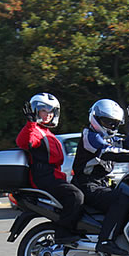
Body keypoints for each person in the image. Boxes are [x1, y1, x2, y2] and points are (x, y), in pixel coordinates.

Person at [71, 99, 129, 256]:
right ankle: (105, 241)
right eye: (107, 122)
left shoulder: (108, 137)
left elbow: (128, 145)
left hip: (100, 184)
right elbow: (110, 153)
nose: (111, 126)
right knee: (121, 199)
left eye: (114, 123)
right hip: (87, 185)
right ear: (95, 118)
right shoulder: (90, 136)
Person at [16, 93, 85, 244]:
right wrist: (30, 124)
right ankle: (63, 234)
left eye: (51, 111)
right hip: (43, 176)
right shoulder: (34, 130)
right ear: (35, 111)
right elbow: (24, 142)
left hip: (55, 176)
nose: (48, 114)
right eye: (43, 110)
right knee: (75, 196)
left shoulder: (47, 133)